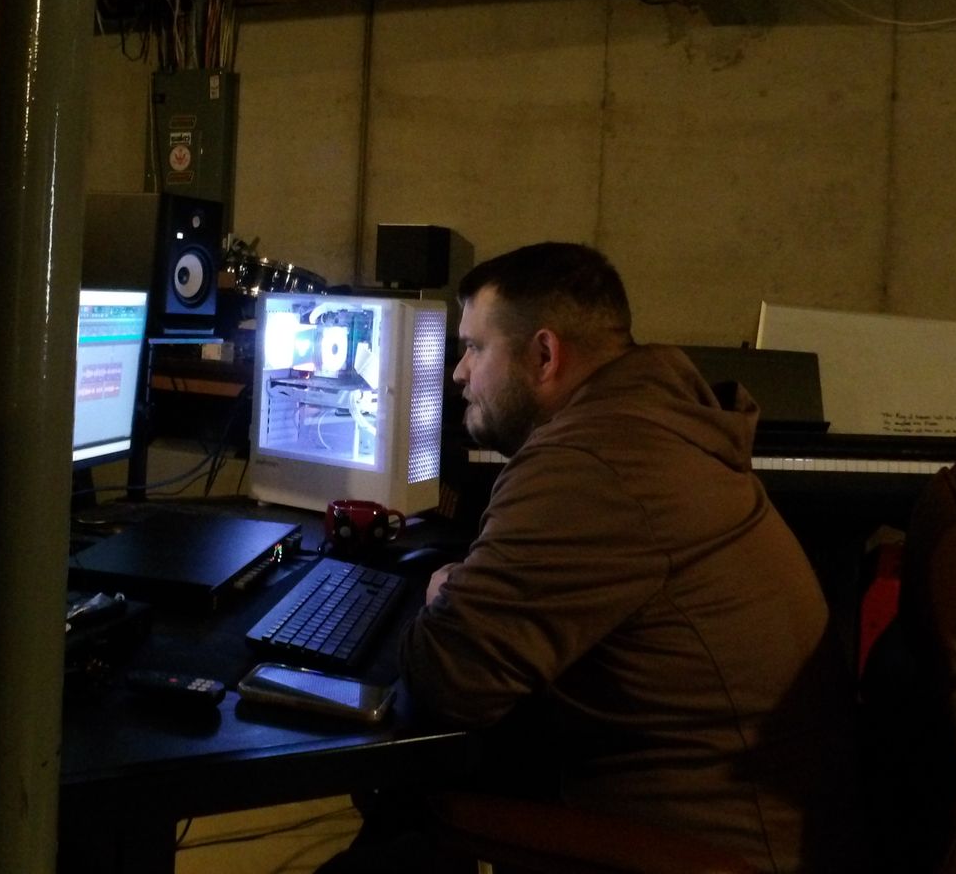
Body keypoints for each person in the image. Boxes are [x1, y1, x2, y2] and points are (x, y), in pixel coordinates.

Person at [323, 241, 859, 873]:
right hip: (751, 821)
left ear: (544, 355)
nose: (458, 373)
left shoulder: (591, 463)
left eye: (474, 348)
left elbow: (449, 681)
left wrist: (446, 592)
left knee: (402, 826)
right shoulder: (654, 425)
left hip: (698, 846)